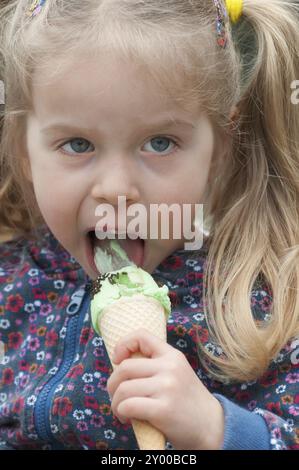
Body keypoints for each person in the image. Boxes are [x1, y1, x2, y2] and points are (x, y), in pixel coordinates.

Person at [0, 0, 298, 451]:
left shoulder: (255, 300)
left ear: (218, 147)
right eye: (77, 143)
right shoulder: (9, 283)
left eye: (160, 143)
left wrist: (216, 429)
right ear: (23, 149)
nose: (117, 189)